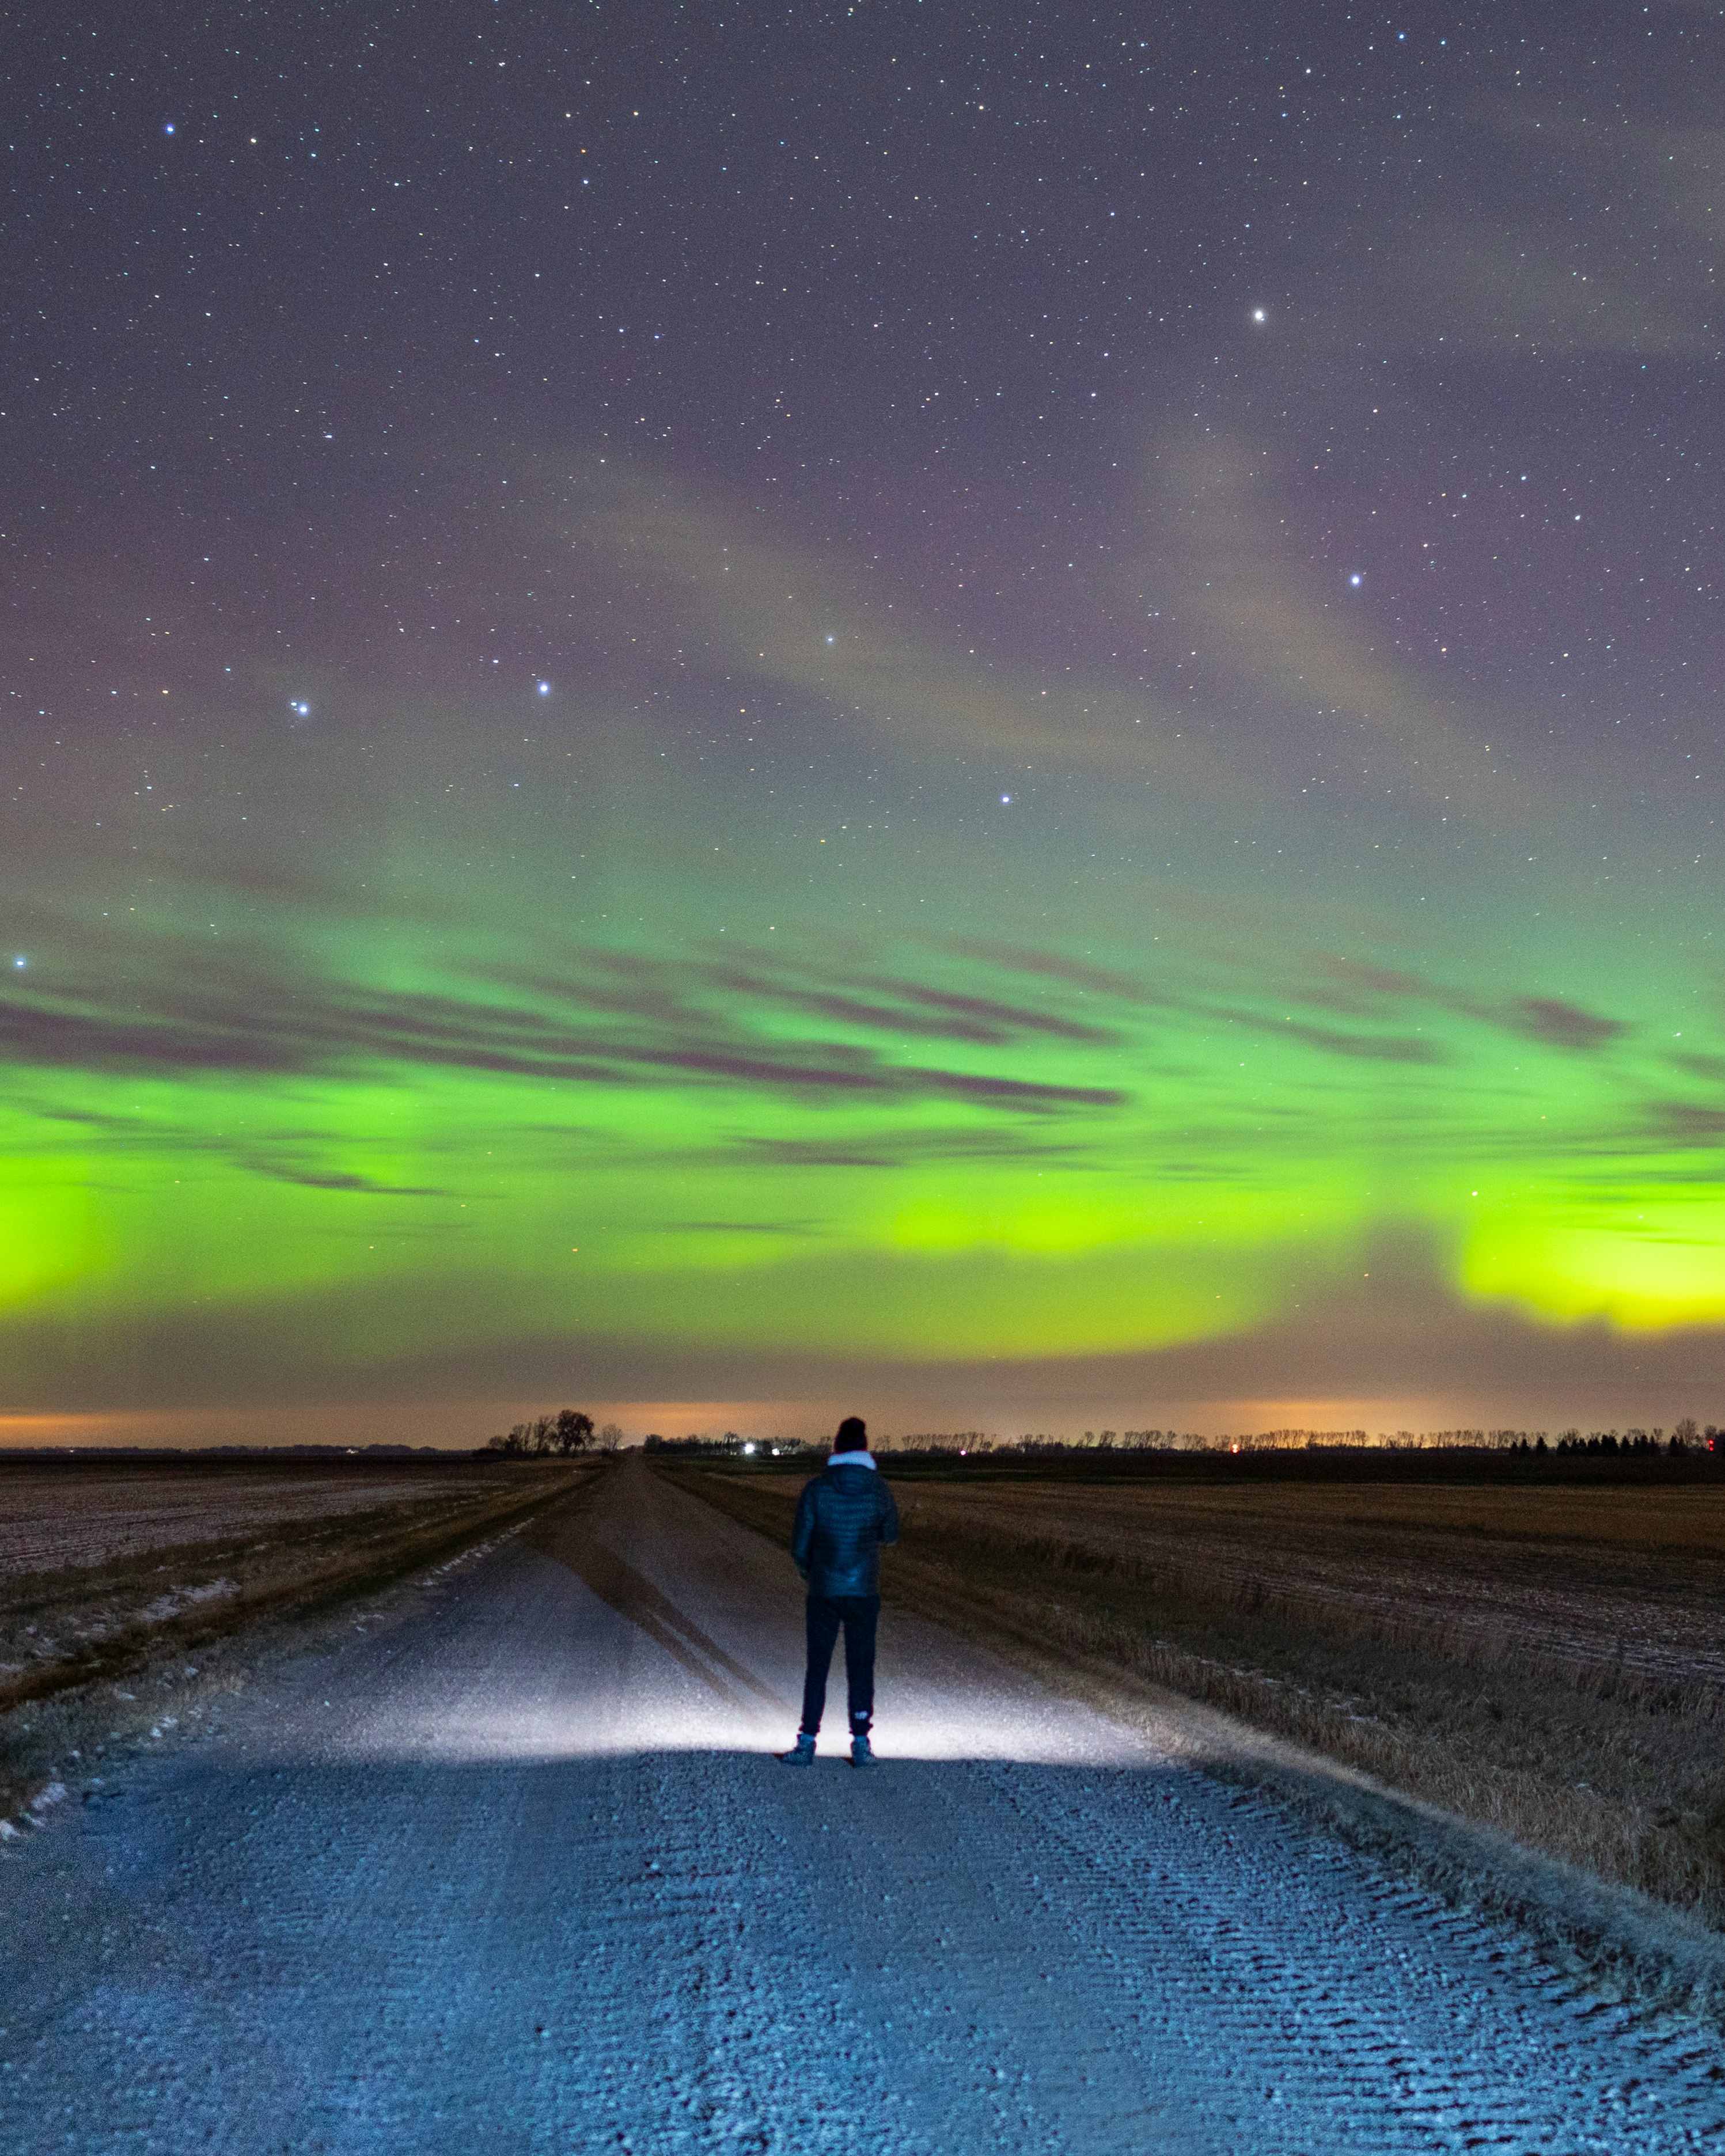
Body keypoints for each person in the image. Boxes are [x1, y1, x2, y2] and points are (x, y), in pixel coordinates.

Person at [780, 1415, 899, 1767]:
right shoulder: (878, 1488)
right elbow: (891, 1535)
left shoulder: (817, 1489)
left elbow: (799, 1544)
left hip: (824, 1591)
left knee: (817, 1666)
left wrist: (811, 1572)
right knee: (861, 1665)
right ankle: (861, 1744)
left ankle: (806, 1742)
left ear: (836, 1447)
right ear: (865, 1447)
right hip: (864, 1591)